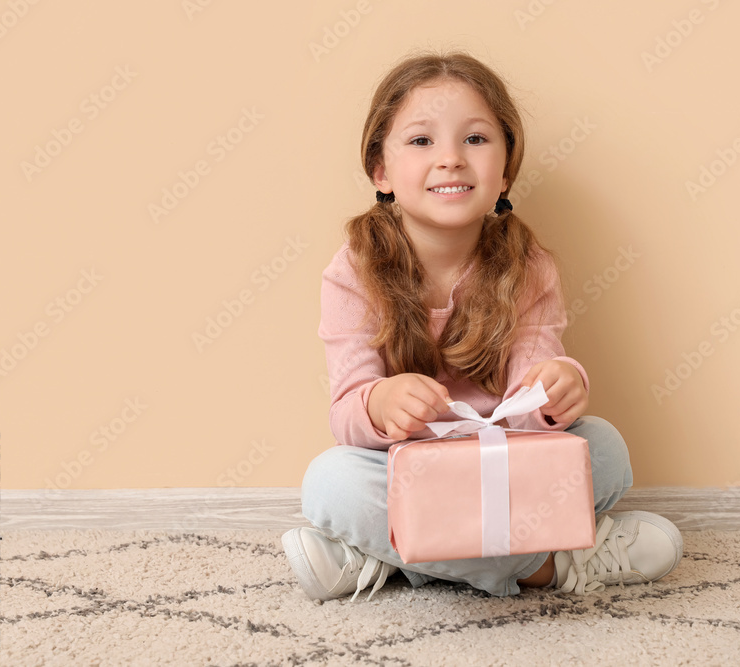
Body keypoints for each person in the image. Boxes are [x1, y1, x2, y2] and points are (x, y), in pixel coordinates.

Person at [282, 50, 683, 602]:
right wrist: (379, 403)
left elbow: (534, 386)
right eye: (421, 141)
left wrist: (557, 387)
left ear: (506, 168)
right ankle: (550, 565)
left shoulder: (526, 264)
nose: (450, 159)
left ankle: (391, 558)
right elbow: (347, 414)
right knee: (331, 481)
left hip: (508, 461)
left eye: (475, 139)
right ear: (381, 169)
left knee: (606, 449)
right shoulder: (354, 268)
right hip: (407, 466)